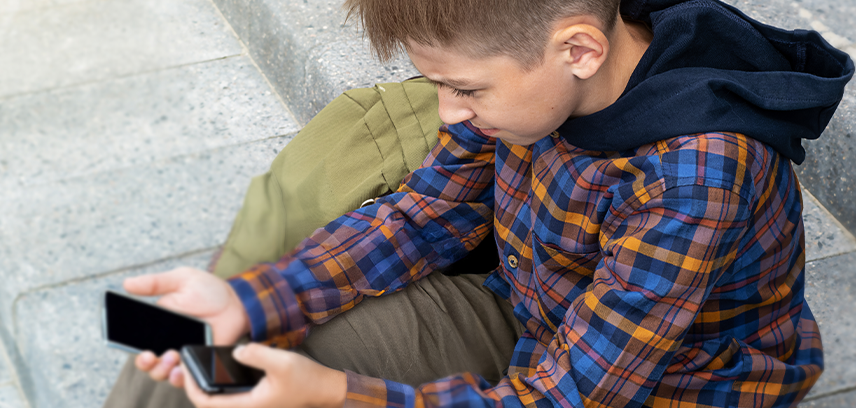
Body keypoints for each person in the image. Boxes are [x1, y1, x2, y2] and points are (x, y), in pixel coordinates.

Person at [103, 0, 855, 406]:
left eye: (463, 88)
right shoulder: (516, 98)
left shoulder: (696, 175)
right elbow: (419, 217)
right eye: (437, 86)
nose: (448, 112)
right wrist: (251, 299)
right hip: (530, 313)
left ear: (578, 51)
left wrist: (337, 397)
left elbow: (573, 398)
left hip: (672, 386)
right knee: (190, 346)